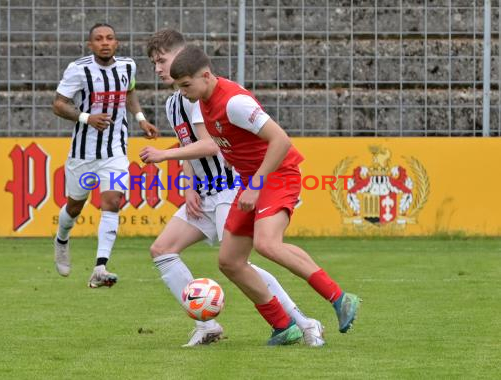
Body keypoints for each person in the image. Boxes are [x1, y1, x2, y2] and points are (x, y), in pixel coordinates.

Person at [140, 45, 360, 345]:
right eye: (180, 87)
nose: (184, 92)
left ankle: (339, 298)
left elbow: (280, 140)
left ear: (205, 76)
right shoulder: (202, 100)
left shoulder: (234, 102)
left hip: (277, 176)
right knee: (229, 261)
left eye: (186, 85)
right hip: (249, 180)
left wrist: (255, 185)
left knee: (267, 244)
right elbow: (229, 142)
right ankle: (283, 326)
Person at [52, 23, 158, 288]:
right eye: (98, 39)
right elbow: (59, 104)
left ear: (117, 42)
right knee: (75, 206)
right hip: (83, 153)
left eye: (109, 38)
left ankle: (100, 267)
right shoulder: (79, 69)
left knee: (112, 201)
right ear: (91, 45)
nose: (105, 42)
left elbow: (129, 93)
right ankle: (62, 239)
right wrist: (87, 117)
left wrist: (141, 119)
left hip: (115, 150)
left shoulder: (127, 66)